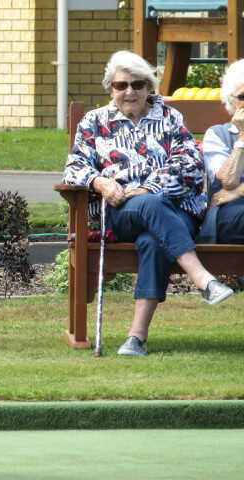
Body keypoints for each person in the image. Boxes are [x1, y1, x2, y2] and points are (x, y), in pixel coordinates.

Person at [63, 50, 233, 357]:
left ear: (149, 88)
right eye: (121, 85)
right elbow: (75, 167)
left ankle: (136, 338)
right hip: (119, 212)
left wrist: (149, 188)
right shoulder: (95, 122)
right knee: (149, 207)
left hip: (175, 213)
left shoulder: (169, 117)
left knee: (153, 237)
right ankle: (203, 279)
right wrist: (101, 183)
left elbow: (190, 164)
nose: (130, 91)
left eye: (138, 84)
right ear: (110, 88)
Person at [198, 58, 244, 243]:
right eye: (243, 97)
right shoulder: (217, 135)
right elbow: (227, 182)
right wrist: (242, 137)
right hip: (231, 212)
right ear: (230, 101)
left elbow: (234, 188)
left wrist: (240, 190)